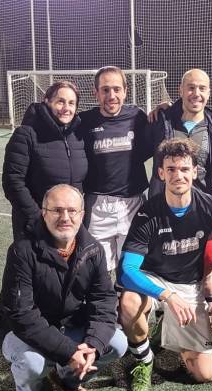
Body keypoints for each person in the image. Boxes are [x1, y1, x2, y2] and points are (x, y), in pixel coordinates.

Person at [118, 138, 212, 391]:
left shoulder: (210, 205)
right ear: (161, 173)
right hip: (155, 280)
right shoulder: (147, 212)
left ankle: (169, 329)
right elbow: (127, 270)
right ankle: (144, 360)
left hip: (189, 285)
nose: (179, 175)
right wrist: (167, 296)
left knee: (205, 374)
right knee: (129, 302)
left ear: (195, 172)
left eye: (185, 169)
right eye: (171, 169)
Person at [0, 184, 127, 391]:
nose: (65, 217)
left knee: (117, 343)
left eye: (72, 211)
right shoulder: (21, 251)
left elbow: (104, 300)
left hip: (66, 323)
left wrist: (93, 344)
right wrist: (68, 351)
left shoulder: (93, 249)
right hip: (17, 328)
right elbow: (21, 315)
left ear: (82, 215)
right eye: (57, 210)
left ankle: (67, 380)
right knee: (32, 363)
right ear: (44, 213)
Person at [148, 68, 212, 302]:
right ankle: (163, 310)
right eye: (191, 87)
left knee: (206, 272)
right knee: (165, 263)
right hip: (168, 208)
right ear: (180, 90)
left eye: (202, 88)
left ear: (209, 92)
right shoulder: (162, 122)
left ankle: (209, 309)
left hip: (204, 211)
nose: (196, 93)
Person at [78, 66, 153, 275]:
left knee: (132, 272)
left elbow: (160, 129)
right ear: (96, 93)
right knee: (98, 272)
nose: (111, 96)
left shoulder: (137, 116)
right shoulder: (84, 121)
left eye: (117, 89)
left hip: (133, 204)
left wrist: (166, 107)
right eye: (105, 90)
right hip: (97, 206)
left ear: (125, 91)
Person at [2, 80, 88, 238]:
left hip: (69, 226)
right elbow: (13, 182)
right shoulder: (26, 134)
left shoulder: (78, 137)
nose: (66, 108)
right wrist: (38, 219)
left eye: (71, 103)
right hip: (36, 227)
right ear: (47, 101)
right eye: (60, 101)